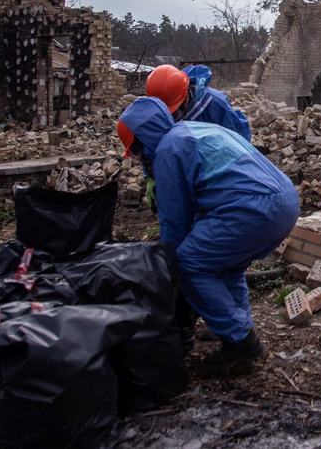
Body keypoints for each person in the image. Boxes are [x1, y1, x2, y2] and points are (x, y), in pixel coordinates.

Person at [116, 97, 299, 374]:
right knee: (227, 266)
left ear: (142, 140)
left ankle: (240, 342)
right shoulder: (191, 130)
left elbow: (175, 223)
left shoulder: (169, 150)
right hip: (284, 200)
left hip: (254, 208)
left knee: (191, 262)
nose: (138, 158)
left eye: (136, 151)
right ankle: (237, 328)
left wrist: (169, 274)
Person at [144, 64, 251, 141]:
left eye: (176, 109)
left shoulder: (215, 104)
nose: (174, 114)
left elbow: (237, 140)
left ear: (185, 92)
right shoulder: (166, 103)